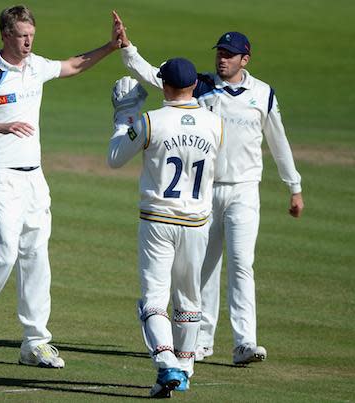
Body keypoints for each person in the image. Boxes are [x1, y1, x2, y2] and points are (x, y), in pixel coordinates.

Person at [113, 13, 304, 365]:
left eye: (230, 54)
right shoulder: (200, 86)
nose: (222, 58)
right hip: (203, 192)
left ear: (245, 59)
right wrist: (128, 49)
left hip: (245, 189)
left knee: (241, 263)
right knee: (203, 269)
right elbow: (159, 77)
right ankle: (200, 341)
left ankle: (245, 342)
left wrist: (294, 186)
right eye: (220, 52)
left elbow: (279, 142)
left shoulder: (262, 94)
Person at [0, 5, 125, 368]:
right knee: (3, 255)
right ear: (6, 35)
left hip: (34, 178)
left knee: (36, 258)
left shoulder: (36, 65)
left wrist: (110, 47)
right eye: (22, 36)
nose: (28, 42)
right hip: (1, 175)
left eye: (32, 36)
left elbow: (72, 65)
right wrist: (0, 126)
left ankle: (35, 343)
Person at [107, 58, 223, 397]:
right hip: (197, 222)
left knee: (153, 301)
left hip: (157, 221)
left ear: (164, 86)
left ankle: (167, 361)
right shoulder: (215, 124)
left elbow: (114, 157)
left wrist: (123, 117)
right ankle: (183, 369)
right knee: (189, 297)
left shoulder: (150, 122)